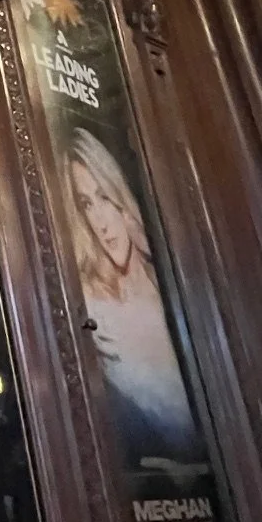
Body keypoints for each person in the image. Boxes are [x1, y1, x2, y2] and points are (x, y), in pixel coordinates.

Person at [65, 127, 193, 459]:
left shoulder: (171, 284)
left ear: (120, 197)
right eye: (87, 204)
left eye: (104, 198)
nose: (101, 223)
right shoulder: (95, 310)